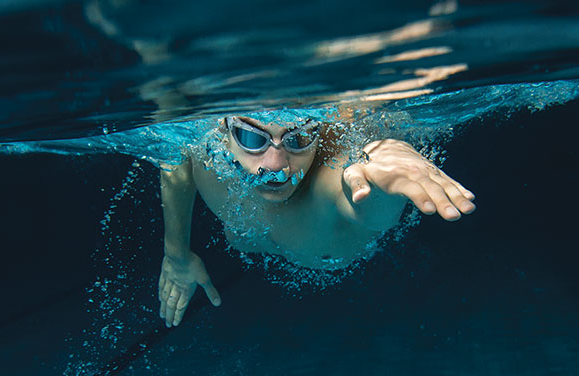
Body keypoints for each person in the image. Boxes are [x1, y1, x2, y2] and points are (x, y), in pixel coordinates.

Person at [158, 113, 475, 326]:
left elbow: (365, 203)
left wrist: (382, 181)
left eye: (298, 139)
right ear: (223, 131)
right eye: (253, 139)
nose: (277, 166)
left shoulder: (328, 180)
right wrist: (176, 254)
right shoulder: (201, 147)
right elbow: (175, 159)